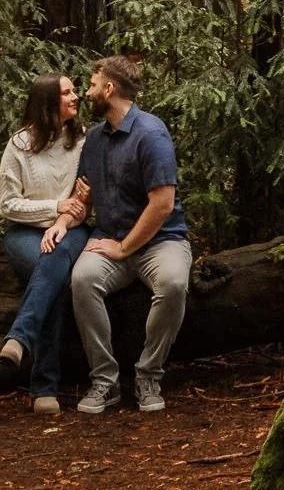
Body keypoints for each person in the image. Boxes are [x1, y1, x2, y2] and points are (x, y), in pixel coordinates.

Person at [57, 55, 191, 416]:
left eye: (92, 84)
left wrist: (125, 248)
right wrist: (67, 215)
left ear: (109, 89)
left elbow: (162, 204)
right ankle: (105, 380)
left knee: (174, 284)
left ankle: (148, 374)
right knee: (82, 280)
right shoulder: (95, 140)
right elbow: (84, 197)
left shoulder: (151, 133)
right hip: (109, 238)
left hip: (161, 240)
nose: (88, 92)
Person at [0, 73, 91, 414]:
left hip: (72, 229)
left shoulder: (81, 142)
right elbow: (7, 204)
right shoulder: (19, 144)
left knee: (52, 270)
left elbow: (84, 201)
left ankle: (20, 339)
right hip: (24, 231)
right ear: (48, 102)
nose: (75, 97)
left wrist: (64, 218)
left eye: (75, 91)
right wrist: (54, 207)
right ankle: (44, 386)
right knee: (53, 276)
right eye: (67, 92)